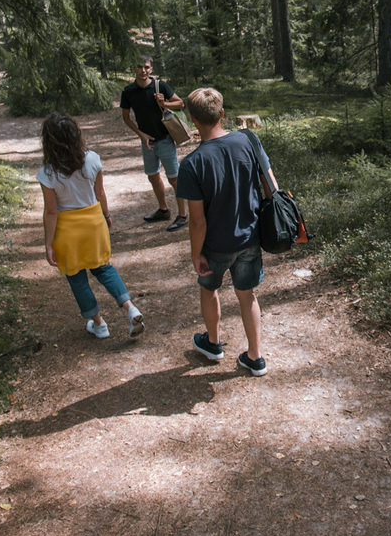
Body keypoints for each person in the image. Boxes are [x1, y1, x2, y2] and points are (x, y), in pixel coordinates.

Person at [175, 87, 277, 376]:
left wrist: (197, 254)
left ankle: (213, 343)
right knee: (247, 294)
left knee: (209, 288)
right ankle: (255, 357)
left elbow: (197, 222)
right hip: (249, 238)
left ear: (193, 120)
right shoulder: (247, 141)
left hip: (216, 245)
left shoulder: (192, 164)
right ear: (222, 114)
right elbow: (272, 185)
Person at [38, 113, 144, 341]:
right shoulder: (93, 159)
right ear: (76, 135)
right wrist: (106, 215)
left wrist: (48, 244)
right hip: (93, 222)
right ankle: (129, 308)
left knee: (76, 278)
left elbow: (51, 211)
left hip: (68, 230)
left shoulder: (47, 173)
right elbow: (100, 193)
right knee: (104, 267)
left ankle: (99, 323)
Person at [118, 55, 189, 232]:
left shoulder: (160, 86)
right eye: (140, 67)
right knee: (152, 175)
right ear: (134, 68)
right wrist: (141, 134)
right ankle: (164, 210)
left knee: (174, 178)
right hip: (147, 141)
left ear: (151, 69)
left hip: (165, 138)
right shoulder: (128, 91)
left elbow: (180, 103)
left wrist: (164, 102)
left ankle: (183, 215)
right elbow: (126, 118)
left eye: (147, 67)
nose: (143, 70)